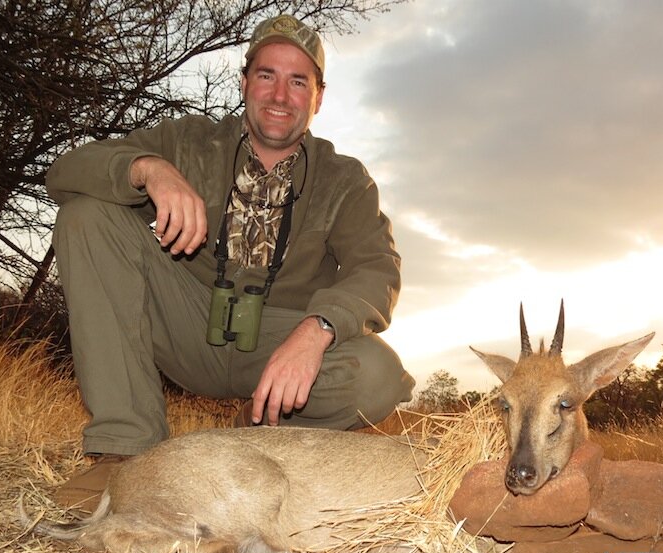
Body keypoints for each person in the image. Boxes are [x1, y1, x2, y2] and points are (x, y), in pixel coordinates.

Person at [46, 14, 414, 511]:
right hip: (185, 321)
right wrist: (147, 169)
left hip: (277, 347)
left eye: (298, 81)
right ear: (244, 83)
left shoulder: (346, 180)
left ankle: (259, 433)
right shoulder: (187, 141)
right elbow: (66, 172)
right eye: (267, 75)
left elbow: (379, 268)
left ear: (318, 98)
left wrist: (317, 329)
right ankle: (124, 452)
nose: (280, 95)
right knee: (86, 216)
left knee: (377, 375)